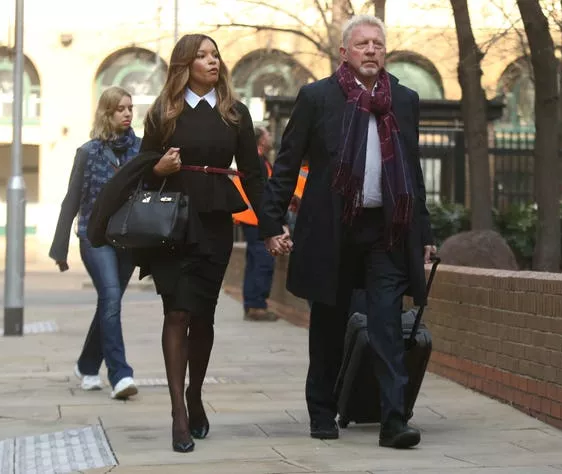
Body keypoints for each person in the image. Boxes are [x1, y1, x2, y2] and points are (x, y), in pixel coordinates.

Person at [258, 14, 437, 449]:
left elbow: (411, 172)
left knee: (387, 326)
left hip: (387, 232)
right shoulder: (318, 98)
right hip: (332, 230)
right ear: (345, 53)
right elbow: (285, 164)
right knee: (328, 324)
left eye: (378, 43)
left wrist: (426, 233)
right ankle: (322, 409)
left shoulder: (406, 99)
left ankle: (394, 419)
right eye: (362, 44)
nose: (371, 50)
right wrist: (271, 221)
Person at [85, 34, 265, 453]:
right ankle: (178, 416)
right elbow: (144, 170)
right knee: (177, 312)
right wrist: (160, 167)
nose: (212, 61)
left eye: (215, 54)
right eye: (202, 55)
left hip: (216, 224)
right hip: (171, 227)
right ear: (185, 64)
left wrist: (271, 226)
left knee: (203, 319)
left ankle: (195, 394)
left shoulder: (235, 113)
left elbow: (253, 175)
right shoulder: (163, 112)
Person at [49, 86, 141, 400]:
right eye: (120, 109)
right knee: (112, 296)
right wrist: (60, 248)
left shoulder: (141, 150)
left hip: (128, 239)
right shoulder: (88, 152)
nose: (127, 113)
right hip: (94, 237)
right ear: (106, 113)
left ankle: (88, 366)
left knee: (108, 303)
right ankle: (120, 375)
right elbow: (71, 201)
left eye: (130, 108)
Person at [232, 126, 277, 321]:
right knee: (262, 261)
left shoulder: (258, 160)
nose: (271, 137)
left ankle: (251, 304)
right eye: (268, 134)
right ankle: (257, 306)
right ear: (261, 140)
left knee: (254, 261)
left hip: (250, 218)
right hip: (256, 218)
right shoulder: (258, 160)